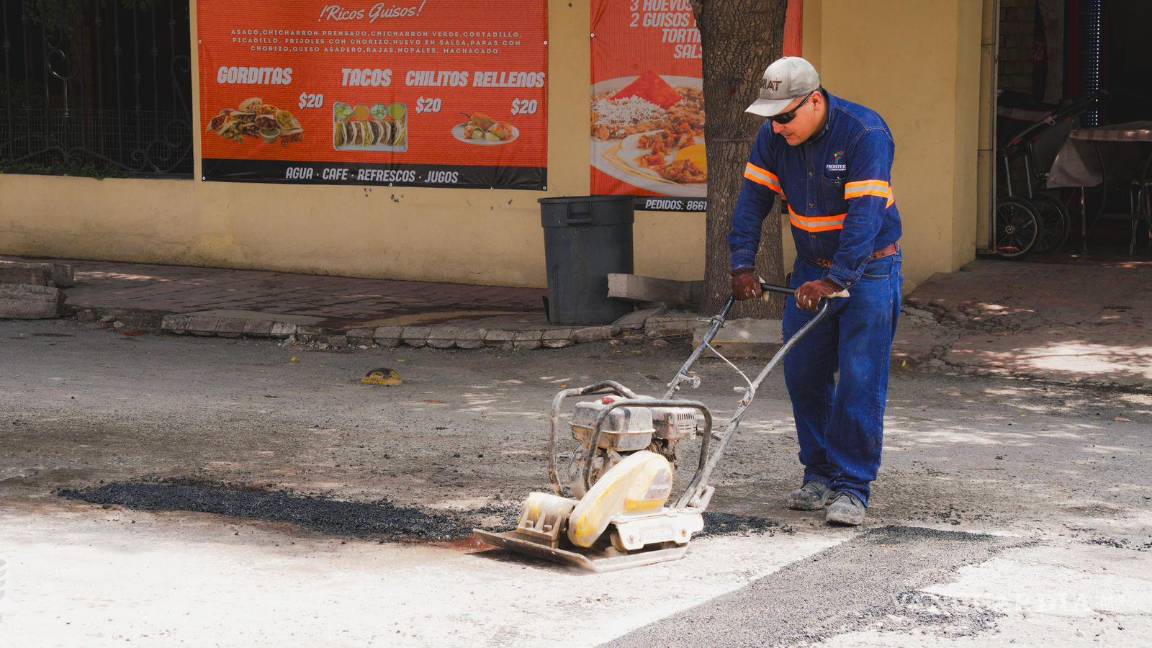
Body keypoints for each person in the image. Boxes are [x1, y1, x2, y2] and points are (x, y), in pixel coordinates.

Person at [728, 57, 903, 526]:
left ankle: (852, 487)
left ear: (815, 101)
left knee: (860, 382)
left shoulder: (865, 134)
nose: (777, 126)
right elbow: (751, 203)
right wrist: (742, 262)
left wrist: (836, 280)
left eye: (785, 116)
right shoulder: (774, 137)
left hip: (869, 272)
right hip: (812, 268)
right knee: (804, 375)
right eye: (771, 117)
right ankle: (819, 474)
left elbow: (865, 218)